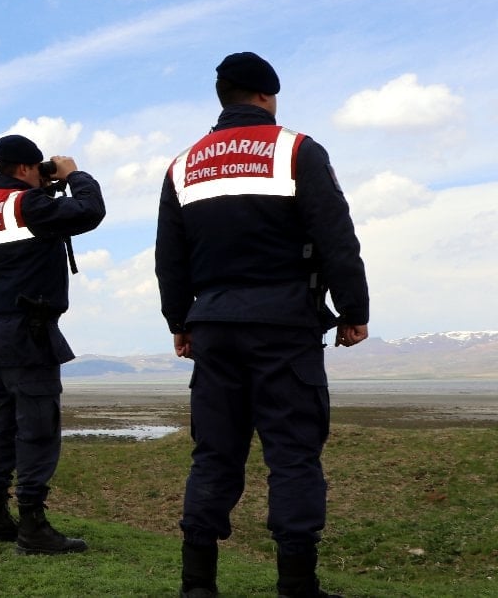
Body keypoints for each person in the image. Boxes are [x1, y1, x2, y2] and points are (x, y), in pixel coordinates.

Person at [154, 52, 370, 598]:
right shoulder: (297, 150)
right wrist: (353, 312)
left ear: (223, 98)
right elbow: (336, 236)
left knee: (214, 453)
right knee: (293, 454)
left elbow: (170, 256)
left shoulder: (183, 165)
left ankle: (196, 584)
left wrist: (180, 319)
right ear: (268, 97)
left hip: (214, 327)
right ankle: (297, 585)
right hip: (284, 326)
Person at [0, 134, 106, 555]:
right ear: (26, 169)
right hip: (29, 332)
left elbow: (33, 223)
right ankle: (32, 526)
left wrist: (45, 186)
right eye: (38, 171)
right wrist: (74, 175)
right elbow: (89, 211)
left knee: (4, 426)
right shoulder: (28, 205)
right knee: (38, 429)